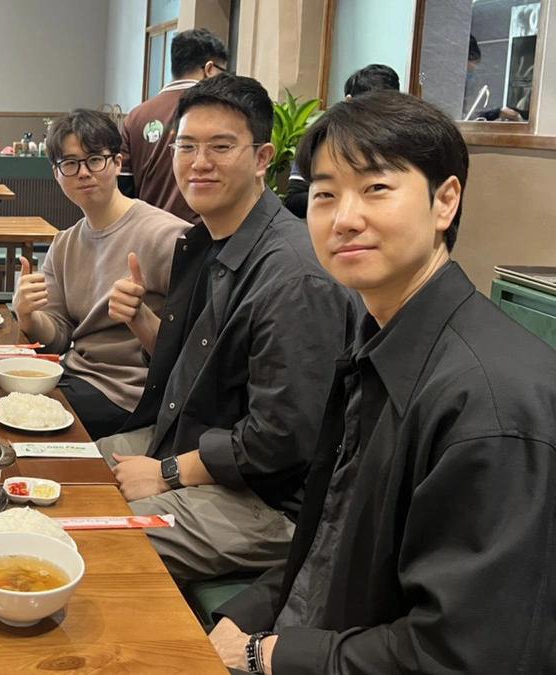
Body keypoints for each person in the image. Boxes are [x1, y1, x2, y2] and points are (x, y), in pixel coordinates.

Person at [210, 91, 556, 675]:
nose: (345, 218)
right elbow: (331, 544)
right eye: (324, 194)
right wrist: (240, 618)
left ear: (445, 201)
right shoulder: (377, 342)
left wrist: (262, 654)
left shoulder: (490, 406)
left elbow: (468, 655)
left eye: (376, 188)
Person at [98, 75, 359, 587]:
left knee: (94, 547)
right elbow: (199, 370)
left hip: (268, 502)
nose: (199, 162)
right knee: (54, 474)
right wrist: (141, 321)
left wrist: (167, 474)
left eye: (221, 147)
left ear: (262, 159)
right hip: (190, 447)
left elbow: (284, 439)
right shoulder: (207, 241)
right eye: (187, 146)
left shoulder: (293, 275)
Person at [13, 109, 187, 440]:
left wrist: (142, 316)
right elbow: (57, 336)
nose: (84, 173)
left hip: (130, 394)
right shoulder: (65, 243)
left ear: (118, 163)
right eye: (70, 163)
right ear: (57, 174)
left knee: (19, 425)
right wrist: (27, 314)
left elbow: (197, 345)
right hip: (76, 377)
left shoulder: (166, 235)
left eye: (95, 159)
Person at [119, 29, 228, 223]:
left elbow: (123, 190)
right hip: (199, 236)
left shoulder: (135, 117)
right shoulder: (216, 114)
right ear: (210, 69)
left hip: (146, 233)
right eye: (223, 72)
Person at [284, 63, 400, 218]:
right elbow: (293, 201)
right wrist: (333, 194)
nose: (376, 119)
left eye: (384, 108)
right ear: (349, 101)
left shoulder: (406, 141)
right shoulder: (322, 138)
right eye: (369, 108)